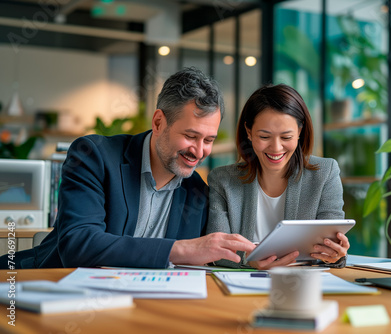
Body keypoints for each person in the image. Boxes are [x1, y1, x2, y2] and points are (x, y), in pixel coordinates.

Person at [0, 67, 255, 269]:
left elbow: (207, 255)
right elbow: (78, 245)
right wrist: (180, 249)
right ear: (158, 122)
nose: (199, 151)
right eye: (190, 136)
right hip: (41, 289)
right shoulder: (94, 156)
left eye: (208, 140)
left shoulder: (196, 190)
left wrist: (253, 258)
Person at [207, 84, 350, 270]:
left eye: (286, 137)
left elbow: (332, 244)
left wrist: (334, 255)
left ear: (299, 131)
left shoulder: (325, 173)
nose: (276, 148)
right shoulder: (222, 180)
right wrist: (247, 260)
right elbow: (216, 250)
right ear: (249, 132)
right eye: (265, 137)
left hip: (302, 283)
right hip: (242, 283)